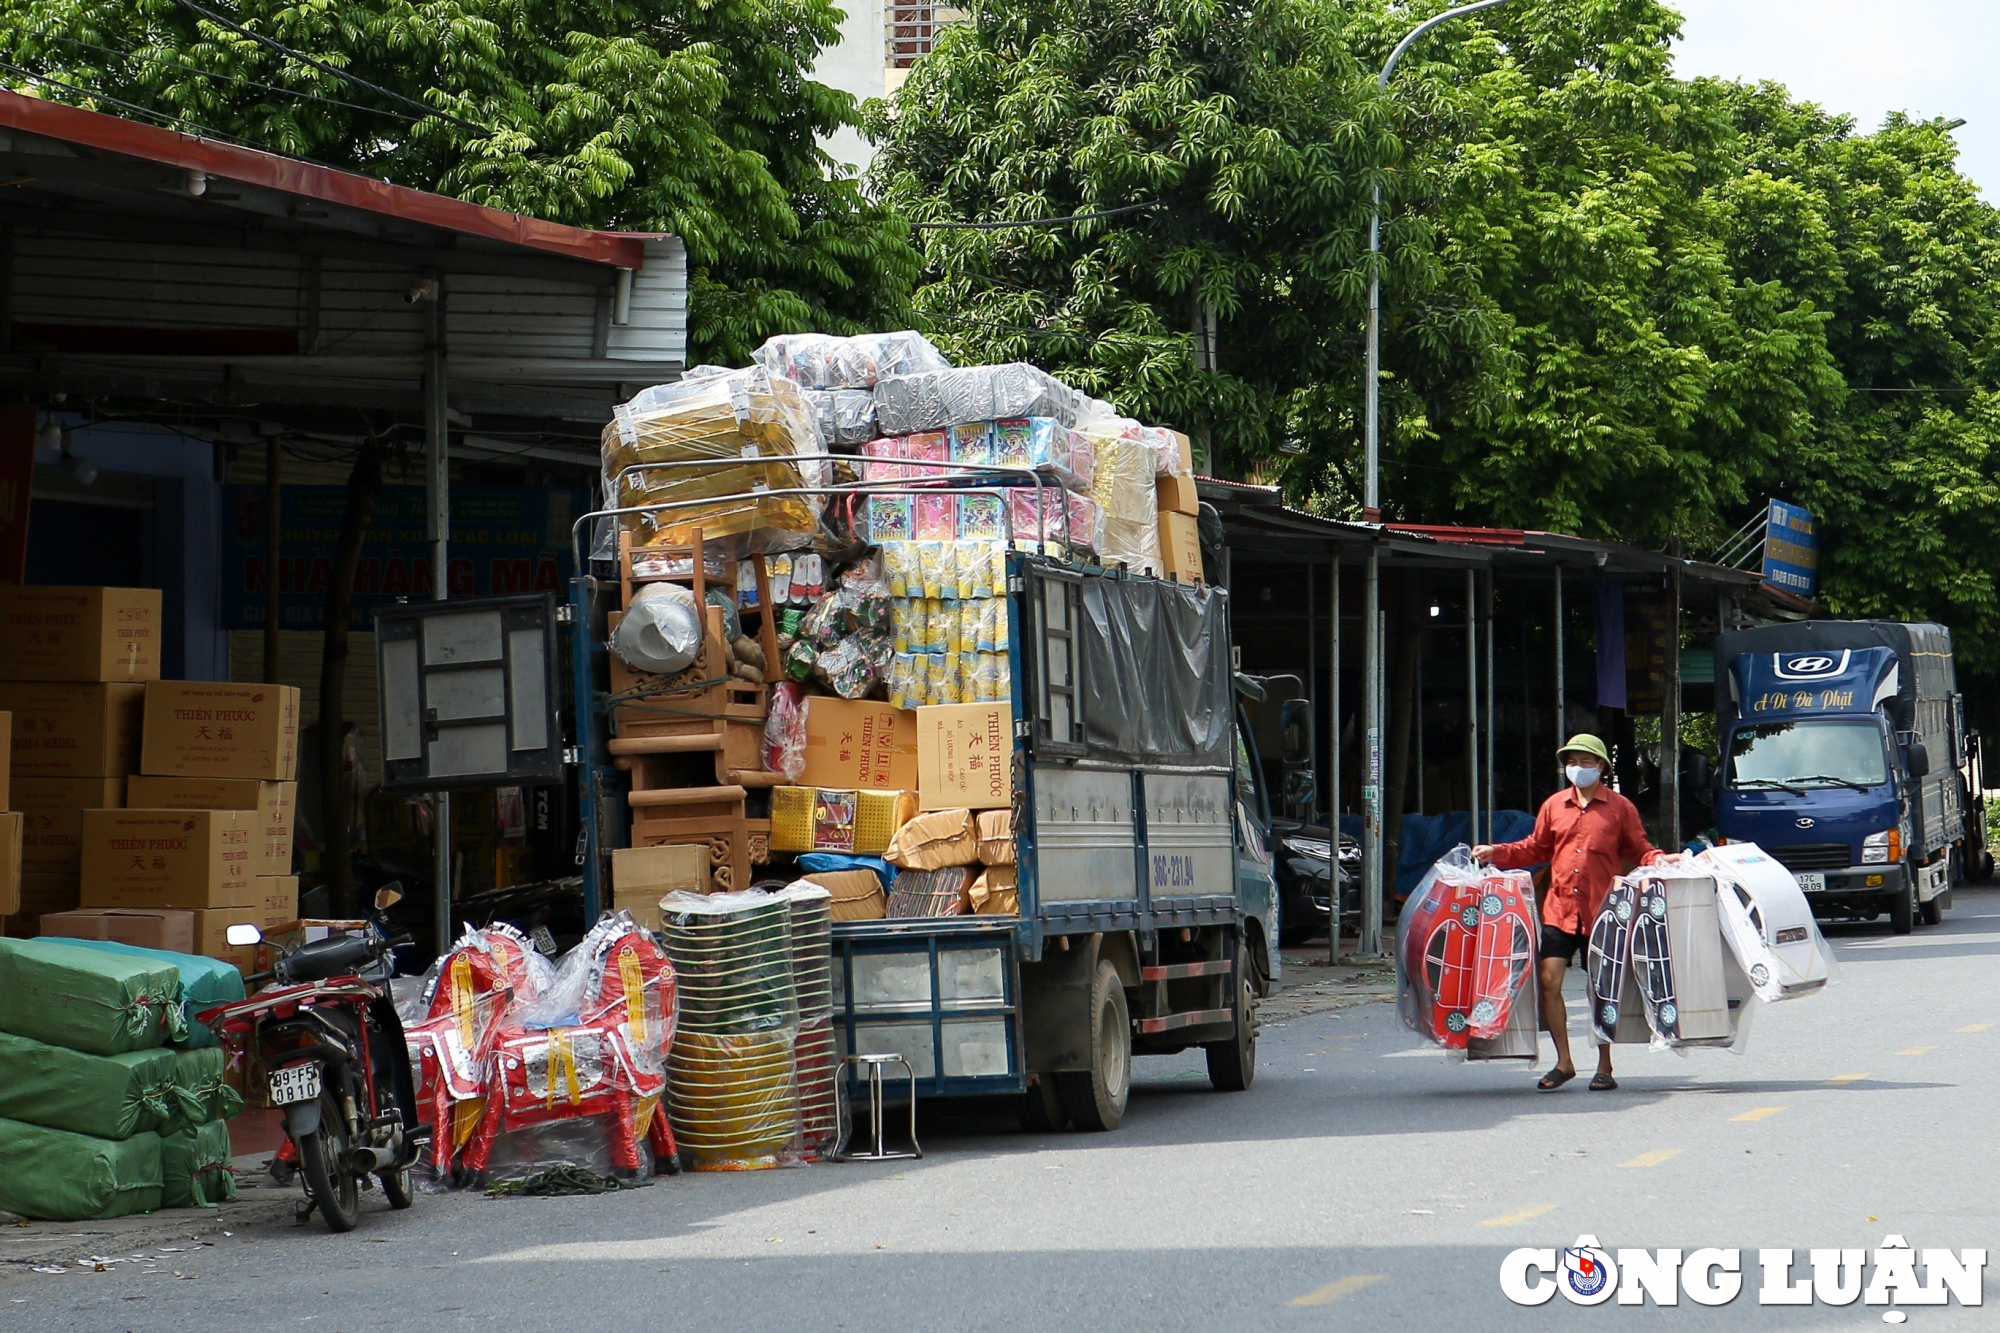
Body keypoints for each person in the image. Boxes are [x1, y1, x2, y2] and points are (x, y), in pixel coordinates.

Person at [1472, 734, 1664, 1092]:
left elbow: (1639, 849)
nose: (1577, 768)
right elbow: (1535, 848)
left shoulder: (1620, 808)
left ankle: (1605, 1064)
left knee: (1601, 989)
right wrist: (1495, 852)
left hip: (1604, 912)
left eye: (1585, 762)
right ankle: (1564, 1061)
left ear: (1602, 767)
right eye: (1571, 762)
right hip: (1559, 910)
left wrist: (1661, 859)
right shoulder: (1554, 806)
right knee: (1549, 981)